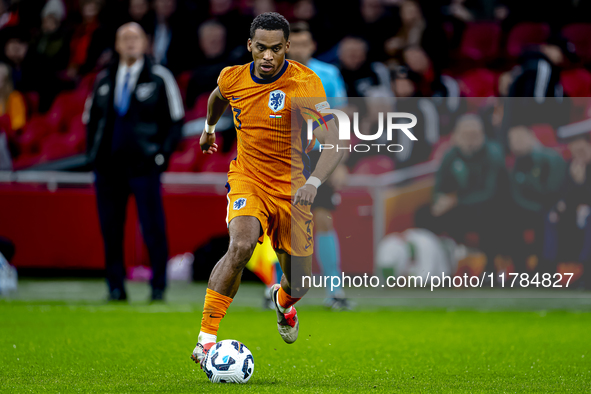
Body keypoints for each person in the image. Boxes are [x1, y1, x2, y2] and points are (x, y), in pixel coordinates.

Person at [190, 12, 342, 366]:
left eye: (276, 49)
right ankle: (206, 340)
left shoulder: (305, 84)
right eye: (261, 48)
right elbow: (217, 97)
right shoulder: (232, 77)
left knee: (299, 284)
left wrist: (315, 182)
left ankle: (283, 303)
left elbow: (333, 141)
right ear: (250, 46)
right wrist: (209, 128)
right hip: (248, 178)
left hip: (292, 186)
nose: (269, 56)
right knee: (240, 245)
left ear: (287, 47)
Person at [83, 22, 184, 302]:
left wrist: (161, 155)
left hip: (144, 166)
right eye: (124, 37)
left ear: (145, 43)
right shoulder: (104, 79)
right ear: (116, 45)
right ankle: (115, 286)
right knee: (111, 229)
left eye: (135, 37)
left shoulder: (160, 77)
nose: (129, 42)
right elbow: (90, 121)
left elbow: (176, 120)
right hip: (108, 168)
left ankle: (158, 286)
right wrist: (94, 156)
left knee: (153, 228)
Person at [286, 21, 350, 310]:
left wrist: (340, 161)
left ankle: (335, 290)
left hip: (319, 155)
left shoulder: (328, 74)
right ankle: (277, 288)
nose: (299, 48)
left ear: (312, 46)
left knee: (323, 219)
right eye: (294, 43)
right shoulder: (275, 74)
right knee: (281, 222)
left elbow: (341, 118)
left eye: (304, 43)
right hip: (285, 158)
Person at [416, 114, 507, 275]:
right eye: (465, 135)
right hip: (460, 207)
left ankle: (489, 268)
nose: (470, 139)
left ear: (482, 135)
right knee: (424, 214)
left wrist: (455, 200)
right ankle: (430, 265)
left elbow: (489, 193)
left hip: (489, 207)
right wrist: (439, 202)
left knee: (488, 213)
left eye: (474, 135)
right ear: (456, 136)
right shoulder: (451, 155)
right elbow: (439, 186)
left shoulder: (493, 154)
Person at [506, 124, 566, 274]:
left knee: (547, 220)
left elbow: (555, 190)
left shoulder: (550, 158)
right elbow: (516, 195)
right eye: (512, 140)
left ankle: (545, 271)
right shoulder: (516, 163)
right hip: (530, 209)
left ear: (532, 138)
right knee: (508, 220)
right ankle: (520, 271)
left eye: (520, 138)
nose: (516, 143)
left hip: (552, 207)